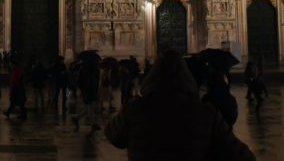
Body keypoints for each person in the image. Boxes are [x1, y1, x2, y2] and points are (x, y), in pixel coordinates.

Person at [105, 50, 255, 161]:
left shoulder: (135, 110)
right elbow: (242, 156)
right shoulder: (205, 113)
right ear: (187, 77)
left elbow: (113, 136)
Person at [72, 56, 100, 132]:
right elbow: (96, 81)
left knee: (89, 107)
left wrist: (82, 89)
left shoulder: (83, 69)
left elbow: (79, 81)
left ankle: (77, 118)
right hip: (91, 90)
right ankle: (92, 124)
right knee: (90, 107)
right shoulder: (95, 69)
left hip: (87, 90)